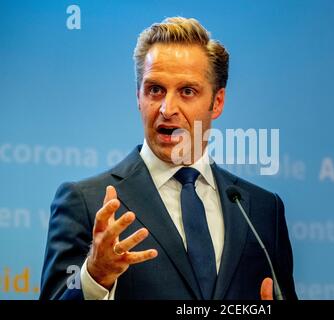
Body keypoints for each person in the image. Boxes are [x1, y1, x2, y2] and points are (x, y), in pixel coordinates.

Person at [39, 17, 297, 300]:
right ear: (138, 97)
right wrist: (95, 278)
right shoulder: (87, 203)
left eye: (187, 91)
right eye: (155, 90)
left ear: (217, 102)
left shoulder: (261, 210)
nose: (167, 108)